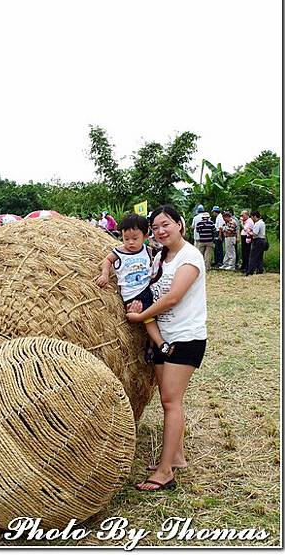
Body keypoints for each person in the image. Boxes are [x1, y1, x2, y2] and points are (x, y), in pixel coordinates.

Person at [126, 205, 207, 492]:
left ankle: (165, 471)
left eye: (166, 224)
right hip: (163, 337)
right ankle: (177, 457)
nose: (161, 231)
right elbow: (149, 290)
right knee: (166, 400)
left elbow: (173, 298)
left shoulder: (190, 257)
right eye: (156, 227)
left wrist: (139, 316)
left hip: (185, 339)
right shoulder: (160, 256)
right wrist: (138, 304)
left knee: (172, 402)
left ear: (180, 224)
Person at [96, 214, 174, 357]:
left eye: (135, 238)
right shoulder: (119, 252)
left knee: (158, 317)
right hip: (132, 295)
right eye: (126, 239)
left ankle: (151, 347)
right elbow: (107, 260)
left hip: (148, 290)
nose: (130, 242)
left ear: (145, 236)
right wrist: (105, 274)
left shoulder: (147, 250)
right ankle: (160, 344)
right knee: (148, 318)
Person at [246, 211, 266, 276]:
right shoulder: (262, 223)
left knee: (253, 256)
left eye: (252, 217)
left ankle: (250, 271)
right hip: (262, 240)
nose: (252, 219)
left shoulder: (257, 223)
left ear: (254, 216)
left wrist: (249, 232)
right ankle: (260, 270)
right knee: (259, 256)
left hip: (257, 241)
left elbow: (255, 234)